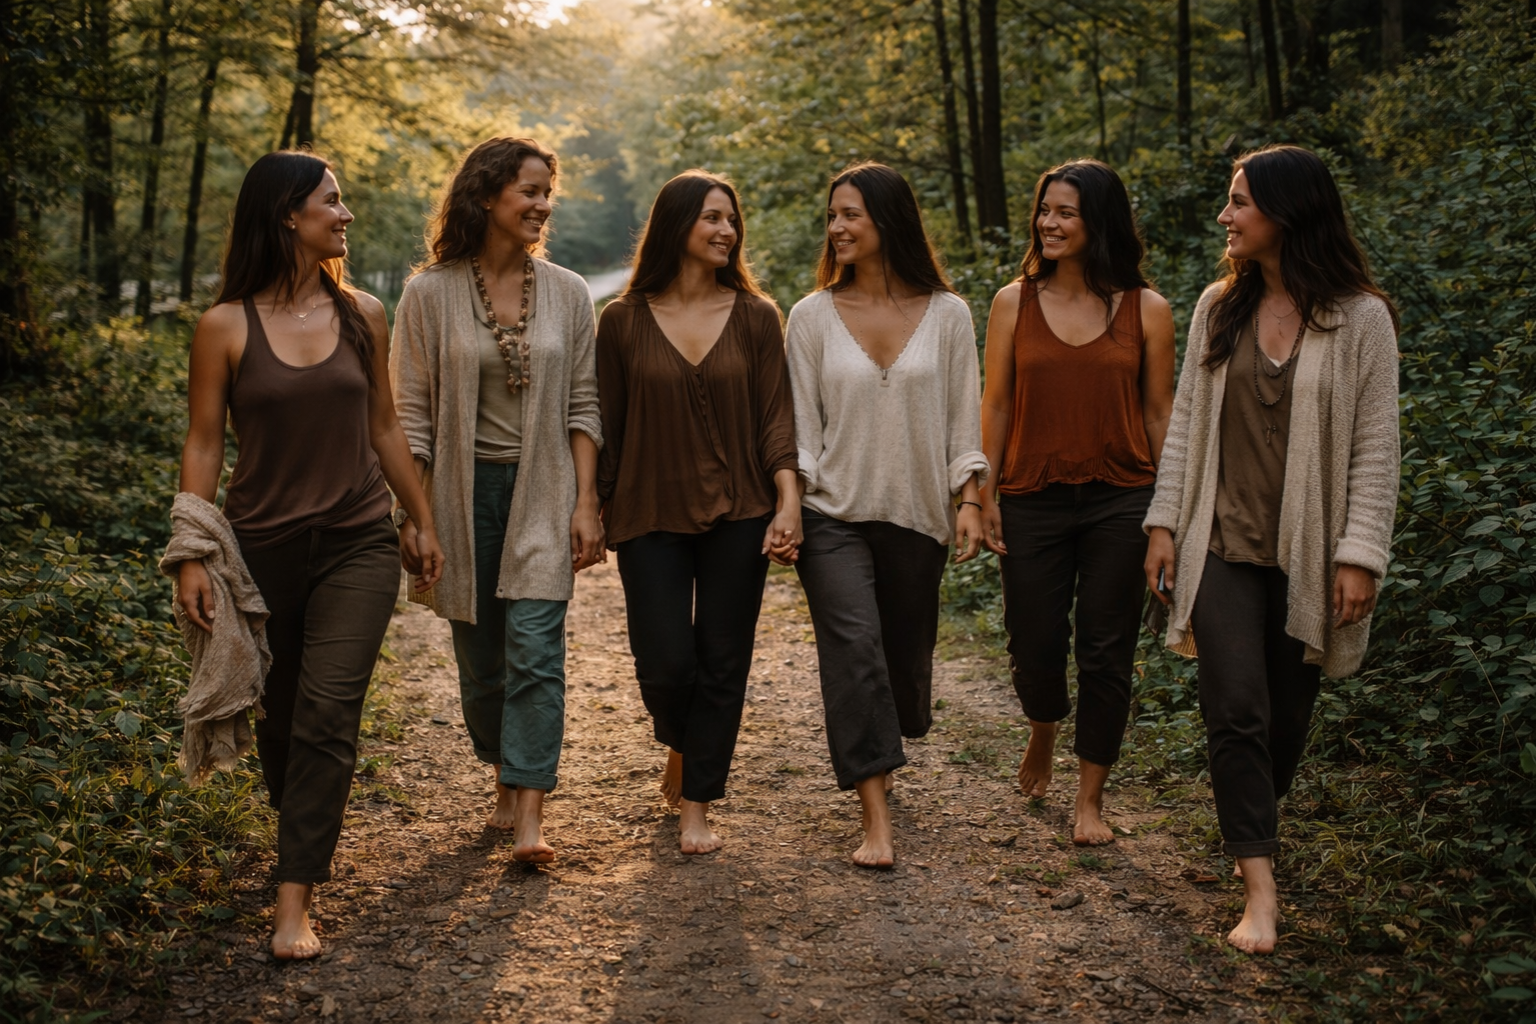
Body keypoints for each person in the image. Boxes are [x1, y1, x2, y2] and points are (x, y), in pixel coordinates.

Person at [176, 151, 444, 960]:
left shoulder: (364, 313)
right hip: (260, 549)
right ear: (288, 214)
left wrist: (419, 519)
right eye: (333, 202)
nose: (347, 215)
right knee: (282, 717)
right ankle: (302, 836)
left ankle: (295, 899)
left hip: (357, 539)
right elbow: (203, 443)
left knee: (329, 709)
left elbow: (386, 430)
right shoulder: (225, 326)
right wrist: (191, 552)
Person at [1143, 144, 1400, 954]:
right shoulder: (1218, 307)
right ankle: (1261, 890)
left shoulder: (1361, 318)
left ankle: (1250, 823)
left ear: (1288, 212)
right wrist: (1162, 522)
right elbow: (1186, 424)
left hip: (1311, 553)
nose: (1227, 216)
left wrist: (1360, 551)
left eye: (1240, 202)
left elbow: (1375, 445)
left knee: (1285, 720)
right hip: (1219, 543)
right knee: (1238, 710)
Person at [392, 137, 605, 864]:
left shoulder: (572, 293)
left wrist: (586, 502)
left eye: (549, 192)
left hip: (543, 486)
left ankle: (530, 819)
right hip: (458, 491)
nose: (544, 205)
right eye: (530, 191)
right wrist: (415, 517)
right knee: (482, 664)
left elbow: (584, 405)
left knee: (537, 652)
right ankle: (502, 770)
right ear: (487, 196)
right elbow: (410, 416)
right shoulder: (428, 293)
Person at [786, 162, 988, 869]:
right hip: (830, 514)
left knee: (901, 662)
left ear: (888, 220)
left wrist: (969, 498)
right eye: (832, 216)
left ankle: (891, 732)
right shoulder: (809, 317)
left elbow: (966, 421)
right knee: (854, 651)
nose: (837, 228)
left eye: (851, 215)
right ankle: (874, 817)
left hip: (915, 515)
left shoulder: (950, 314)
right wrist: (790, 505)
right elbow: (801, 432)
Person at [596, 170, 800, 855]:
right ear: (676, 224)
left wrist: (787, 501)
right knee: (663, 662)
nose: (726, 231)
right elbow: (608, 428)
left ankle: (697, 805)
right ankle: (681, 742)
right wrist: (591, 508)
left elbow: (777, 419)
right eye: (712, 217)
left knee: (722, 659)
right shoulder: (621, 322)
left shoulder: (756, 315)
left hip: (741, 511)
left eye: (732, 220)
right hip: (647, 511)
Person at [975, 159, 1175, 845]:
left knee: (1106, 647)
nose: (1050, 224)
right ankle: (1042, 728)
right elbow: (996, 402)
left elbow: (1158, 415)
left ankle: (1090, 797)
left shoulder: (1147, 310)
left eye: (1066, 213)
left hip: (1122, 496)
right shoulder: (1013, 302)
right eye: (1045, 210)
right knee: (1033, 641)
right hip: (1031, 494)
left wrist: (1167, 514)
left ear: (1100, 222)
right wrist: (985, 490)